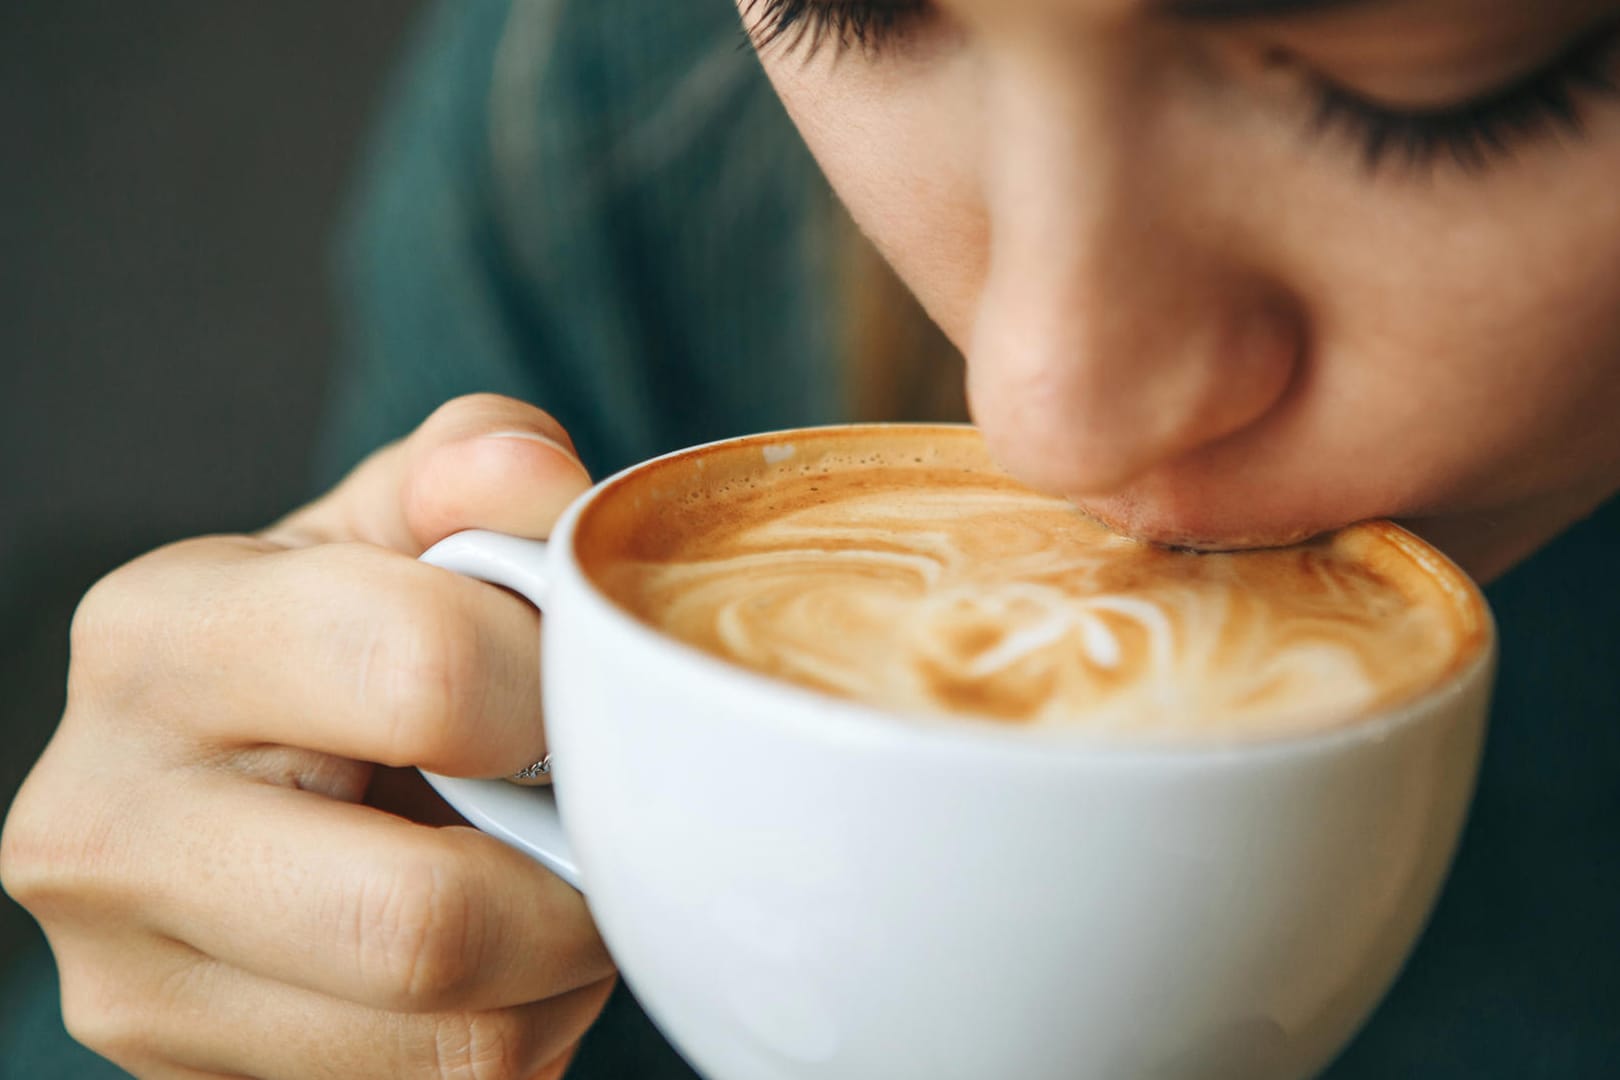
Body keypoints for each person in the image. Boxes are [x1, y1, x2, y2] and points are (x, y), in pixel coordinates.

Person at [3, 0, 1618, 1076]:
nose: (1048, 408)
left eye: (1427, 99)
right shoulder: (615, 123)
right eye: (857, 3)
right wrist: (252, 959)